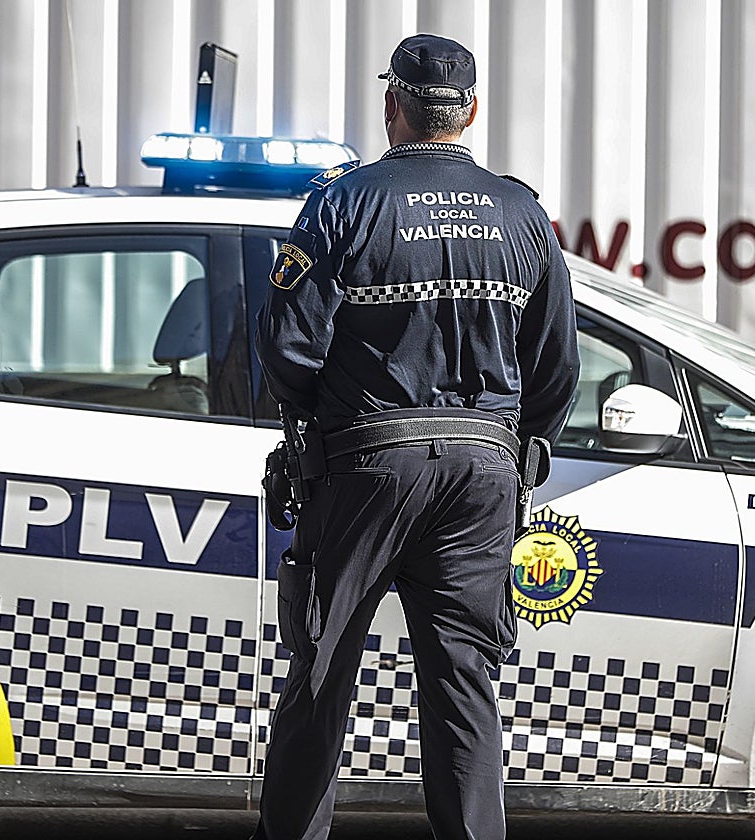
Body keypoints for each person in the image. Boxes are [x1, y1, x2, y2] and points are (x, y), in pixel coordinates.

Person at [253, 32, 580, 840]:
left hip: (365, 467)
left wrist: (318, 423)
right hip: (483, 477)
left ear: (392, 106)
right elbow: (556, 366)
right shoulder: (522, 213)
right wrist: (514, 442)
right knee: (464, 683)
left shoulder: (345, 203)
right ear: (470, 111)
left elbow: (289, 349)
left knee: (323, 673)